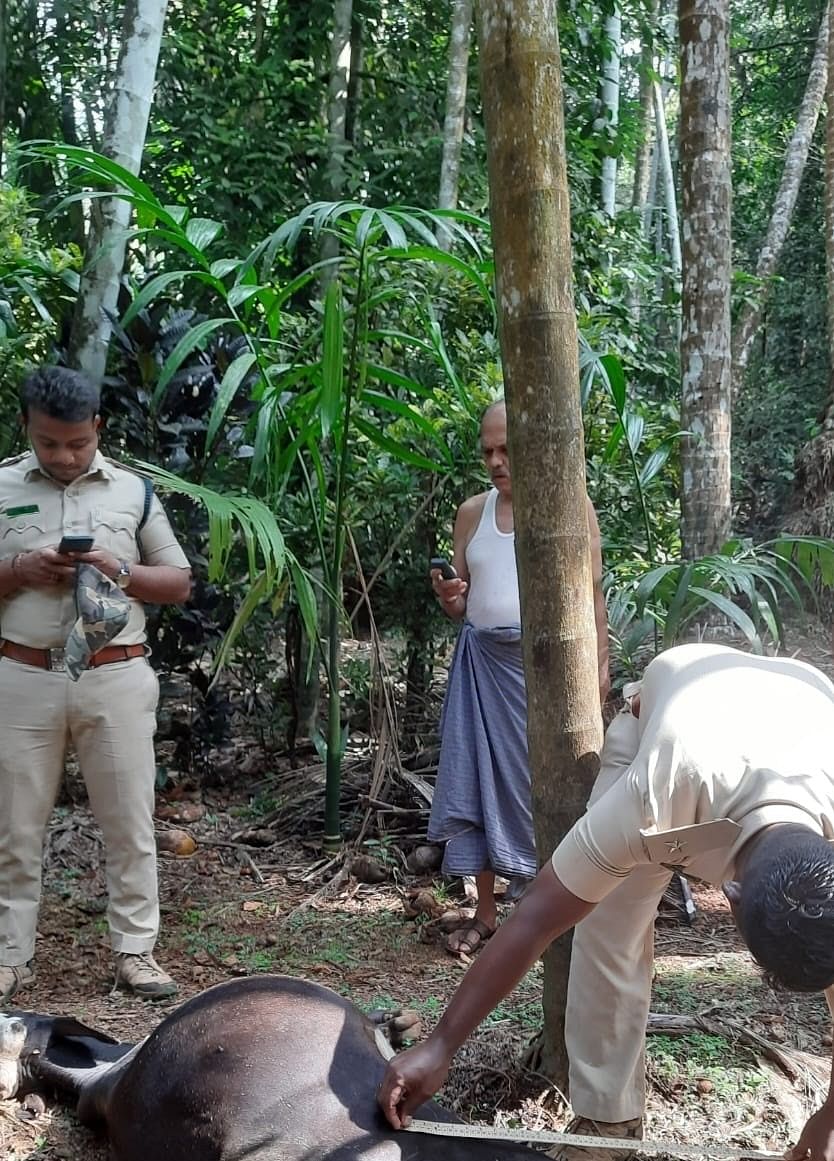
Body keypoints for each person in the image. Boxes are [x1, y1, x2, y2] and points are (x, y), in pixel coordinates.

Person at [379, 642, 834, 1161]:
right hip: (662, 726)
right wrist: (440, 1046)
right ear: (726, 897)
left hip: (788, 711)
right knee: (606, 920)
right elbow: (537, 917)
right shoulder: (656, 791)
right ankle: (609, 1126)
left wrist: (832, 1116)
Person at [0, 365, 192, 1003]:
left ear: (98, 430)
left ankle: (136, 953)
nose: (63, 455)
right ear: (27, 426)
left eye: (77, 443)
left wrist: (119, 568)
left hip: (115, 677)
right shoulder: (1, 487)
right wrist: (21, 570)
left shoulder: (132, 492)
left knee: (129, 822)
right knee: (15, 826)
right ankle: (9, 957)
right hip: (22, 676)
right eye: (49, 442)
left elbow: (179, 581)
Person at [429, 398, 609, 955]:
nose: (496, 462)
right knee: (478, 782)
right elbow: (462, 600)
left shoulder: (569, 505)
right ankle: (486, 909)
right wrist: (451, 598)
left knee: (550, 785)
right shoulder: (471, 513)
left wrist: (599, 667)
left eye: (507, 449)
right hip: (482, 667)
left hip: (547, 674)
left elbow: (592, 596)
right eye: (488, 451)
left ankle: (553, 906)